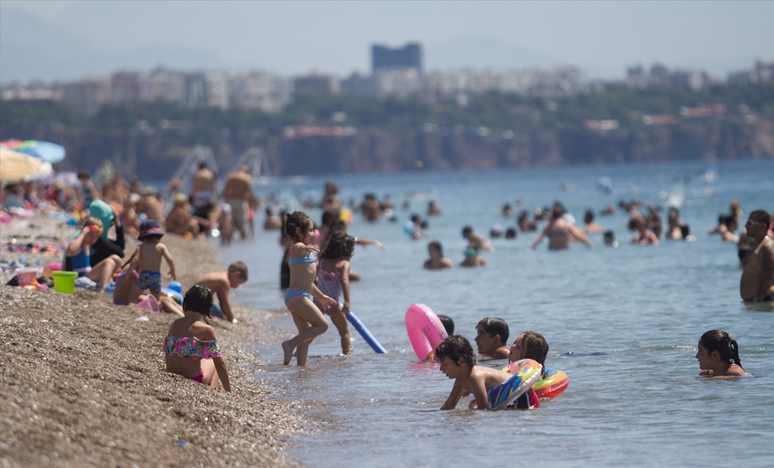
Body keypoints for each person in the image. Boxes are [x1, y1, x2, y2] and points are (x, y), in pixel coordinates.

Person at [281, 211, 337, 366]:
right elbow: (297, 247)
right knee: (322, 325)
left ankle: (301, 369)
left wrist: (322, 297)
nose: (314, 233)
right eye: (311, 230)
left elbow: (309, 282)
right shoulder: (298, 248)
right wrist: (304, 249)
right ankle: (289, 344)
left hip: (299, 296)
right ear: (299, 232)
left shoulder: (308, 252)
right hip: (298, 297)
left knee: (305, 337)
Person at [164, 285, 231, 391]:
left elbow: (169, 354)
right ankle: (212, 389)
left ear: (185, 303)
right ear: (207, 308)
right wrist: (229, 391)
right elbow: (220, 364)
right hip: (194, 379)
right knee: (214, 360)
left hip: (171, 373)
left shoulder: (174, 324)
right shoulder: (206, 330)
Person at [437, 335, 528, 410]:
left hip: (521, 394)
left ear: (462, 361)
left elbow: (483, 409)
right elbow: (448, 406)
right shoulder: (460, 380)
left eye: (444, 364)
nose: (441, 369)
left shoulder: (475, 377)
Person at [315, 232, 355, 355]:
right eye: (351, 250)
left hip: (318, 301)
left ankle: (299, 349)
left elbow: (313, 278)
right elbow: (344, 280)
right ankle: (347, 356)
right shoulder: (344, 264)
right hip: (332, 304)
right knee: (344, 332)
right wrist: (347, 301)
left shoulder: (322, 261)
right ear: (345, 251)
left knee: (312, 329)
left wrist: (319, 287)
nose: (352, 253)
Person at [64, 218, 122, 293]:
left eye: (96, 236)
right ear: (84, 230)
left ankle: (111, 285)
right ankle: (103, 290)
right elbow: (71, 251)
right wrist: (82, 233)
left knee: (116, 258)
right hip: (78, 279)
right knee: (109, 262)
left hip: (87, 277)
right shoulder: (77, 244)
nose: (93, 238)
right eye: (90, 234)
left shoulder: (87, 246)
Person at [135, 219, 176, 300]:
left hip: (145, 275)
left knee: (135, 294)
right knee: (156, 298)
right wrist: (172, 270)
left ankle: (139, 301)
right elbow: (170, 259)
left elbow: (135, 260)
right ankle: (157, 306)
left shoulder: (141, 247)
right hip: (156, 277)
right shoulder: (161, 246)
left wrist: (129, 272)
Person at [740, 210, 774, 302]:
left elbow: (769, 276)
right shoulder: (756, 246)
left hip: (764, 302)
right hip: (756, 305)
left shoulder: (767, 246)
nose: (746, 226)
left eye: (750, 223)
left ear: (762, 226)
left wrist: (759, 299)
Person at [87, 200, 126, 268]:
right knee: (113, 258)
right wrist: (117, 223)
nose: (111, 222)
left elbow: (119, 247)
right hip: (86, 272)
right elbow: (120, 253)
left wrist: (117, 223)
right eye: (109, 219)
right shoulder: (95, 238)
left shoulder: (89, 231)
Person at [222, 165, 255, 239]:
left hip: (231, 201)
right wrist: (252, 205)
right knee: (243, 223)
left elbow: (225, 191)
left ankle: (229, 242)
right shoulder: (246, 178)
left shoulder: (230, 177)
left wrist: (226, 202)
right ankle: (243, 241)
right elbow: (250, 193)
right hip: (241, 202)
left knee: (231, 222)